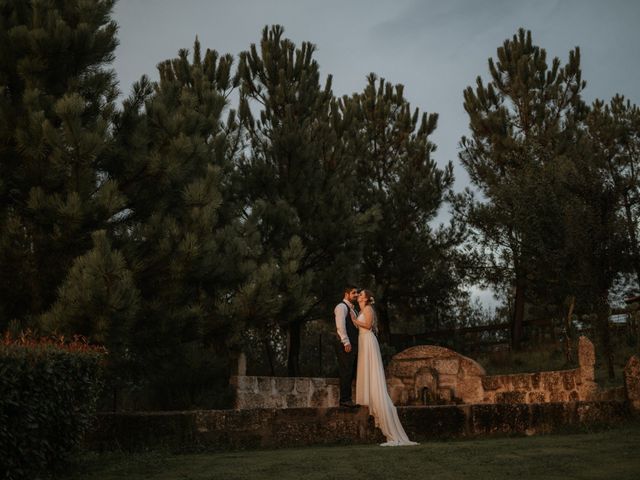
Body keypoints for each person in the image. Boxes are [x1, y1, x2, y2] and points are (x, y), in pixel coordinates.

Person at [353, 289, 418, 446]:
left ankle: (393, 433)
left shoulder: (368, 309)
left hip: (368, 342)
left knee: (375, 381)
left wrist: (355, 320)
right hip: (364, 342)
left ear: (367, 298)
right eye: (359, 294)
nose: (359, 296)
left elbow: (367, 326)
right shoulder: (361, 310)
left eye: (361, 294)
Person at [334, 285, 359, 408]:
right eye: (353, 293)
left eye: (357, 293)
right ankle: (345, 400)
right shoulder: (341, 307)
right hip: (346, 344)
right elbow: (340, 325)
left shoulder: (353, 309)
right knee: (346, 371)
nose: (356, 295)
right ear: (346, 294)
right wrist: (346, 341)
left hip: (353, 344)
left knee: (351, 371)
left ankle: (348, 399)